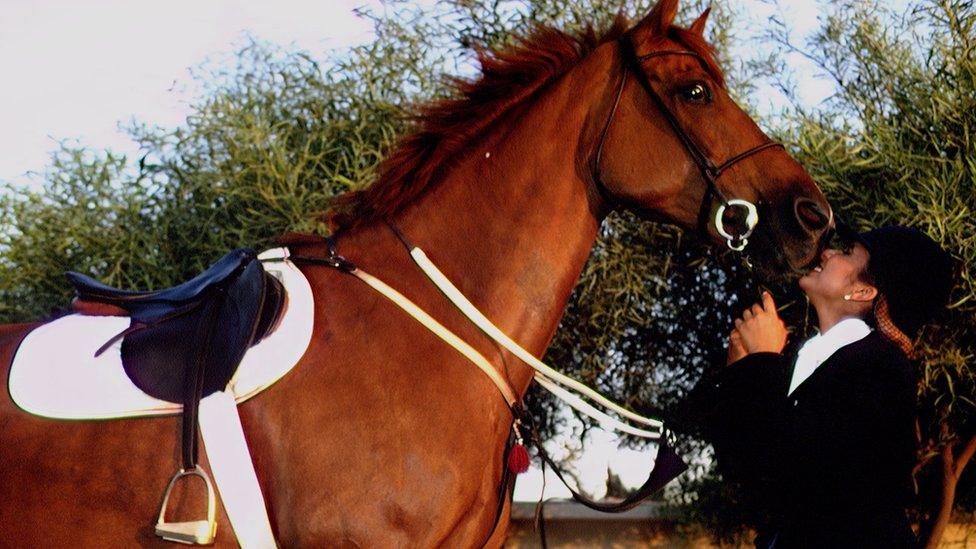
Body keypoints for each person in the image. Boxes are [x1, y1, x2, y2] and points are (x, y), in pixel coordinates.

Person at [692, 225, 955, 548]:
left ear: (863, 292)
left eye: (846, 253)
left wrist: (761, 361)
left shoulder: (881, 368)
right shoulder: (809, 358)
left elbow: (800, 477)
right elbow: (745, 470)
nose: (827, 252)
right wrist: (740, 371)